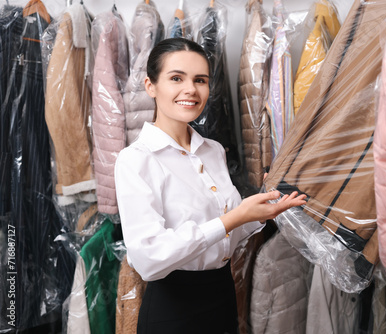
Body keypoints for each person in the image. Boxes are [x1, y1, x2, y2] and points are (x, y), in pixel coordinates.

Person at [114, 37, 306, 334]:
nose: (190, 89)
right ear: (150, 86)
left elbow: (225, 233)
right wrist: (234, 217)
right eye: (176, 78)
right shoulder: (136, 160)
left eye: (200, 80)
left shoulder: (213, 150)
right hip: (173, 309)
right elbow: (148, 259)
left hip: (222, 294)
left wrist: (264, 208)